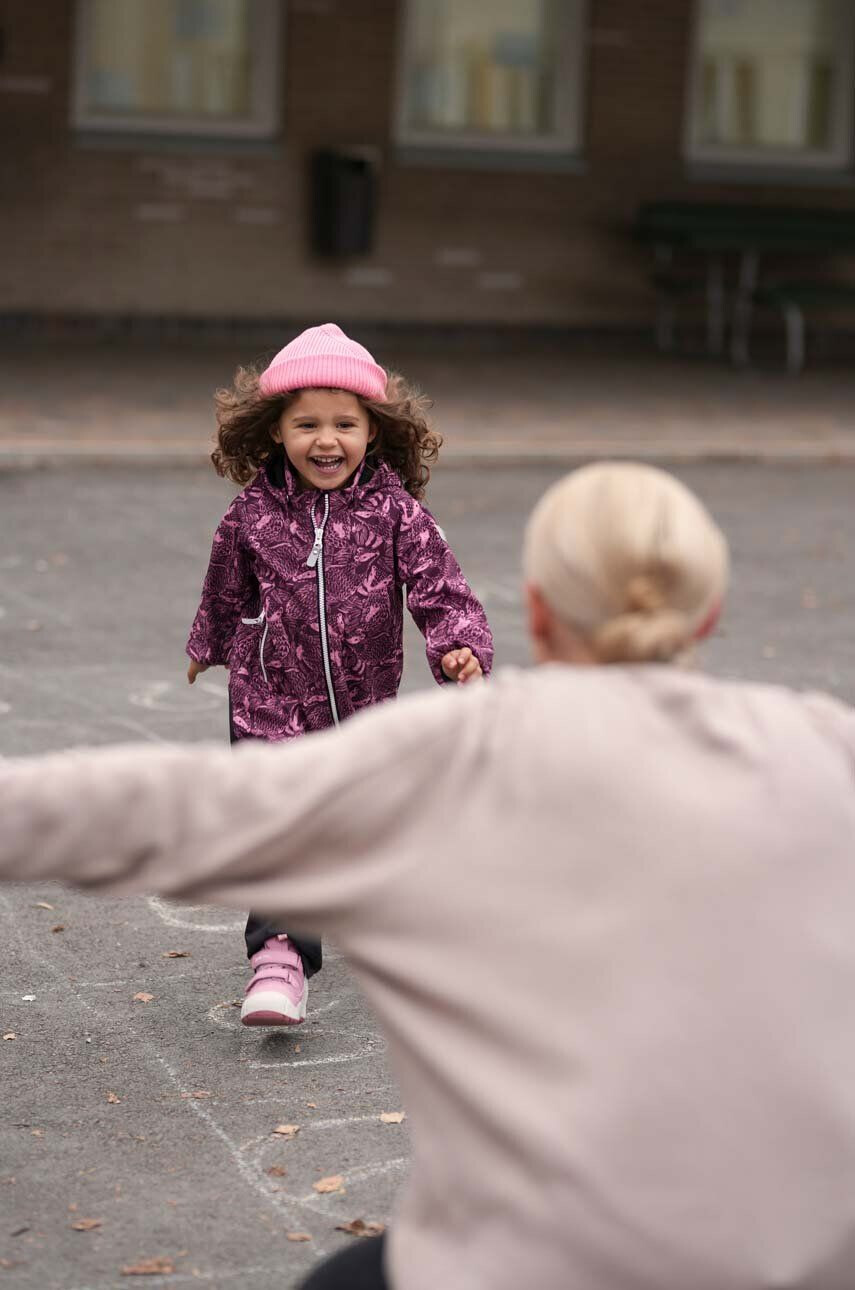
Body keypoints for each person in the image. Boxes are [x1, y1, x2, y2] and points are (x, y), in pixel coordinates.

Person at [5, 461, 855, 1290]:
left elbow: (159, 808)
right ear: (706, 614)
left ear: (537, 610)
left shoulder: (442, 764)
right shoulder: (827, 750)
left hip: (520, 1265)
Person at [185, 322, 492, 1026]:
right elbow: (225, 586)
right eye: (307, 425)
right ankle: (280, 958)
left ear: (373, 433)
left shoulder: (396, 515)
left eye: (344, 424)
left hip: (363, 705)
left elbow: (440, 589)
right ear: (275, 434)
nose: (327, 440)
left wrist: (456, 647)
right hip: (268, 701)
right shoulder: (251, 515)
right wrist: (209, 641)